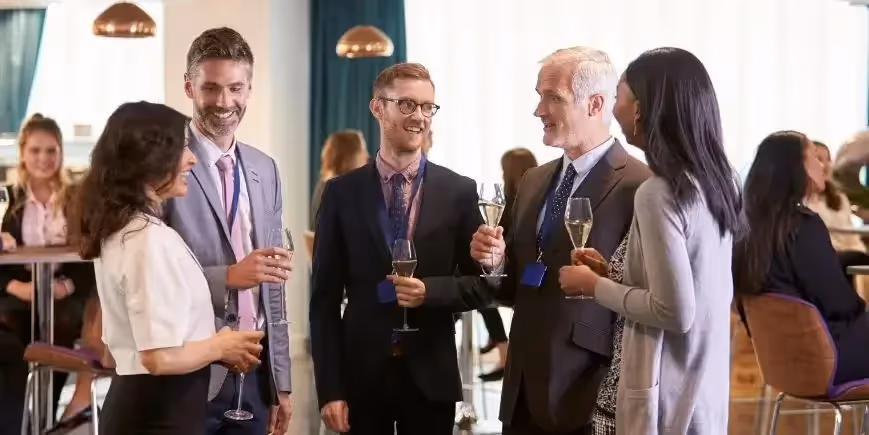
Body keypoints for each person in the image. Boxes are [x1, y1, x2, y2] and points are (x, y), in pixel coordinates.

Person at [470, 47, 650, 434]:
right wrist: (495, 261)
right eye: (539, 96)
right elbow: (518, 282)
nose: (539, 110)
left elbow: (646, 297)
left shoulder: (641, 186)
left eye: (553, 97)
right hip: (521, 385)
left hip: (588, 389)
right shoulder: (535, 180)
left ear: (595, 103)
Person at [562, 47, 742, 433]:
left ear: (641, 108)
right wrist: (611, 274)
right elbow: (690, 285)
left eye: (620, 97)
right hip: (702, 387)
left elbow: (675, 311)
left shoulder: (658, 193)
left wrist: (594, 287)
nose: (614, 109)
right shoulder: (714, 183)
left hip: (665, 394)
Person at [311, 62, 491, 435]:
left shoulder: (459, 191)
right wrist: (330, 389)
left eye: (428, 107)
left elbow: (481, 285)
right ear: (378, 108)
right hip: (361, 378)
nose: (420, 117)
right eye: (407, 105)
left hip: (432, 377)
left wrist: (431, 292)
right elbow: (324, 301)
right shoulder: (341, 193)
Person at [72, 101, 264, 434]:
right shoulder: (145, 238)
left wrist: (212, 341)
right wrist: (221, 346)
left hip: (154, 404)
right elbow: (158, 356)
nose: (192, 159)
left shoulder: (131, 228)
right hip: (158, 413)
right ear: (149, 159)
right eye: (182, 148)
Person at [163, 27, 293, 435]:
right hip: (186, 374)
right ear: (189, 86)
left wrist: (281, 383)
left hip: (252, 377)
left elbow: (275, 288)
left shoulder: (265, 168)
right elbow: (149, 279)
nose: (224, 103)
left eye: (236, 88)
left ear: (249, 89)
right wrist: (229, 278)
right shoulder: (162, 164)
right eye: (211, 88)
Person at [734, 130, 869, 385]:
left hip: (781, 360)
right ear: (795, 168)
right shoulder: (804, 226)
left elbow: (793, 274)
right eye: (813, 158)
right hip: (830, 356)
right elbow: (840, 305)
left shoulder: (749, 227)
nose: (822, 165)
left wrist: (844, 259)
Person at [0, 114, 97, 435]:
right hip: (16, 294)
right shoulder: (8, 199)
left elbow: (93, 253)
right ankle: (21, 419)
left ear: (61, 153)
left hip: (64, 294)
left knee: (60, 329)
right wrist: (17, 287)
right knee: (13, 338)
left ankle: (49, 417)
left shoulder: (77, 198)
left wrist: (66, 285)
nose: (44, 159)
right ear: (23, 153)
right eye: (36, 150)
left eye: (51, 151)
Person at [477, 148, 539, 382]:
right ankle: (501, 348)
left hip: (514, 278)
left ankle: (502, 348)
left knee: (477, 290)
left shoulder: (510, 201)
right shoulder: (543, 198)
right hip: (533, 276)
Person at [805, 140, 869, 277]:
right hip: (822, 258)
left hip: (849, 255)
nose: (825, 165)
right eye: (818, 159)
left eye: (828, 160)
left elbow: (852, 236)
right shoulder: (799, 201)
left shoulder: (839, 198)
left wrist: (860, 251)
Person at [310, 129, 368, 229]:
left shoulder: (323, 184)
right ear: (350, 156)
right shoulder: (340, 189)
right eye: (362, 151)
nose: (367, 156)